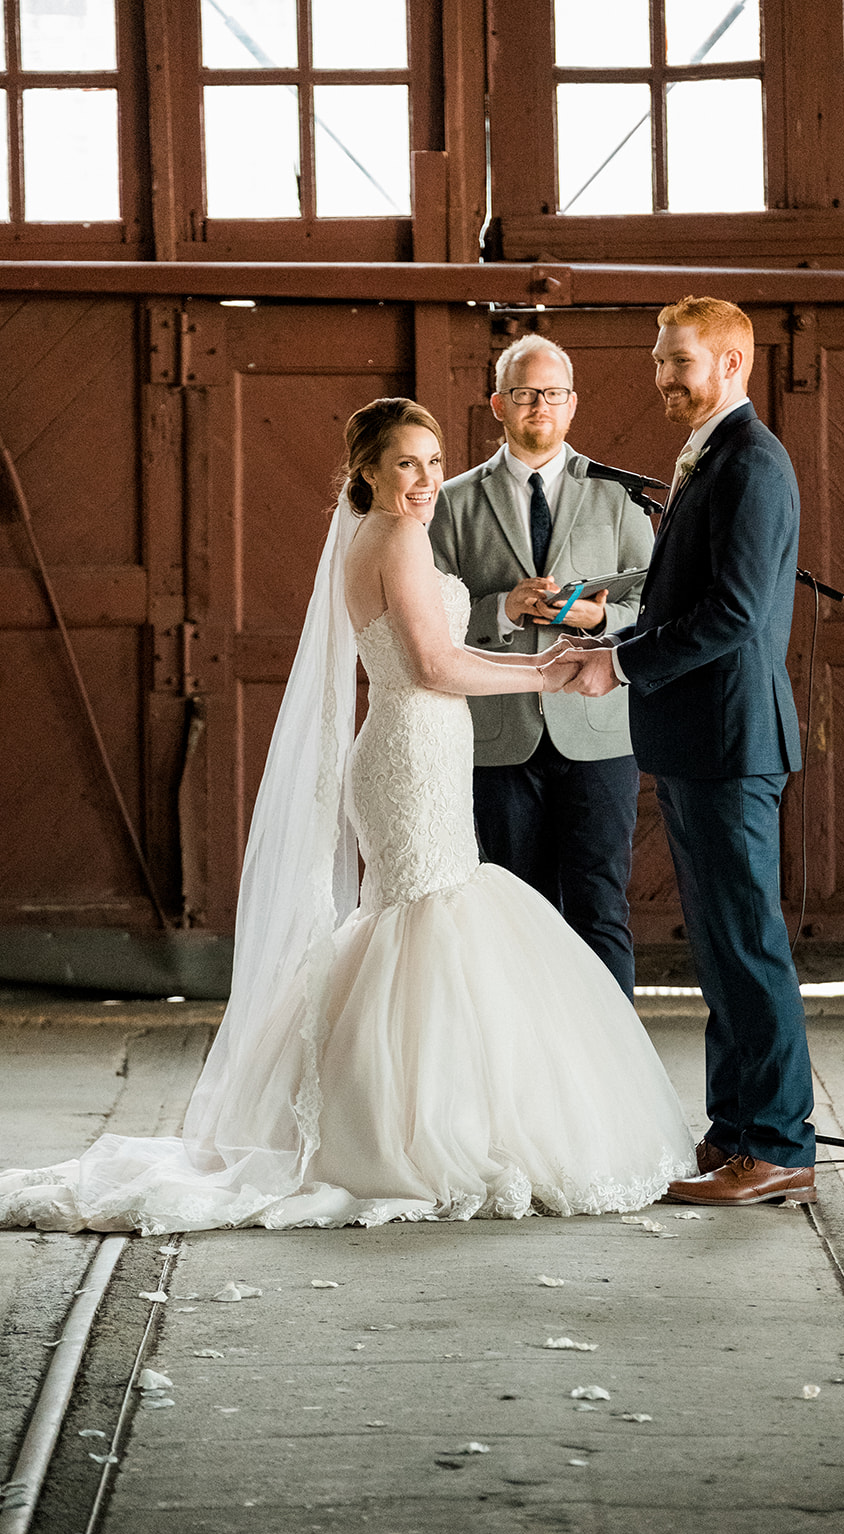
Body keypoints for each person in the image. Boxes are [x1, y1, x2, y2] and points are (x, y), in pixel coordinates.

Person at [0, 398, 693, 1234]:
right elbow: (434, 666)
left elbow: (437, 655)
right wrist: (549, 675)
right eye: (406, 464)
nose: (427, 480)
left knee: (415, 923)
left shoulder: (380, 535)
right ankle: (399, 1132)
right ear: (365, 469)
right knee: (426, 919)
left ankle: (393, 1114)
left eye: (435, 462)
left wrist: (542, 659)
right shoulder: (396, 539)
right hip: (410, 745)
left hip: (420, 742)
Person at [562, 298, 817, 1208]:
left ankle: (781, 1144)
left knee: (748, 946)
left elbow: (736, 615)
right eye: (659, 361)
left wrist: (618, 663)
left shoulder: (751, 461)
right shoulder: (714, 454)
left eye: (679, 362)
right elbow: (683, 593)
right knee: (718, 945)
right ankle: (733, 1132)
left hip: (731, 737)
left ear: (733, 361)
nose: (663, 377)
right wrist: (604, 635)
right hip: (695, 737)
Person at [429, 335, 652, 997]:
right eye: (524, 393)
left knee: (599, 905)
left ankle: (613, 1070)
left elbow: (656, 602)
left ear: (572, 404)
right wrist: (501, 610)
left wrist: (600, 621)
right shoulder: (452, 500)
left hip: (597, 729)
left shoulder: (617, 495)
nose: (538, 405)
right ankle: (526, 1070)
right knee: (513, 909)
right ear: (497, 403)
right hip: (499, 736)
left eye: (551, 393)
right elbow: (424, 616)